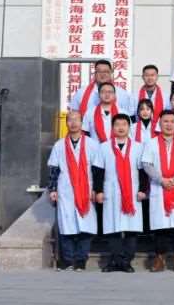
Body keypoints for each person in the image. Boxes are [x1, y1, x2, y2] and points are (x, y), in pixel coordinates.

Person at [140, 111, 174, 273]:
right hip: (159, 186)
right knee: (160, 227)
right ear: (159, 124)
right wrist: (161, 180)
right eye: (165, 121)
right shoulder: (151, 143)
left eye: (172, 121)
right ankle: (159, 259)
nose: (169, 124)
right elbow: (147, 164)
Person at [92, 114, 147, 273]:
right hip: (112, 191)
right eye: (117, 124)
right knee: (113, 228)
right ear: (112, 127)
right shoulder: (104, 147)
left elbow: (143, 171)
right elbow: (98, 171)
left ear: (129, 127)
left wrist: (142, 190)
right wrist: (99, 191)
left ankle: (126, 261)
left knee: (131, 229)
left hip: (132, 192)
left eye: (124, 124)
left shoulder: (138, 147)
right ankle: (115, 260)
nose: (121, 127)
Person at [47, 111, 99, 271]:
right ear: (66, 123)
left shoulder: (92, 144)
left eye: (77, 120)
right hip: (66, 190)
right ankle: (67, 260)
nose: (74, 123)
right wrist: (53, 189)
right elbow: (54, 168)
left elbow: (97, 169)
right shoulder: (59, 145)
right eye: (70, 120)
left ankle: (81, 260)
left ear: (82, 123)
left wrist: (96, 189)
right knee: (66, 225)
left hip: (86, 190)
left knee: (86, 226)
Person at [70, 59, 135, 116]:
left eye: (106, 71)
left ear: (111, 73)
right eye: (99, 71)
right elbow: (74, 114)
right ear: (95, 73)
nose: (102, 74)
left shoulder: (122, 94)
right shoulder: (81, 92)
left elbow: (128, 116)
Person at [137, 65, 168, 129]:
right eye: (147, 75)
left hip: (160, 129)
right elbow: (132, 115)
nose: (150, 78)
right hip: (139, 129)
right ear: (142, 77)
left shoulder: (165, 96)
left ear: (157, 77)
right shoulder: (135, 95)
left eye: (152, 75)